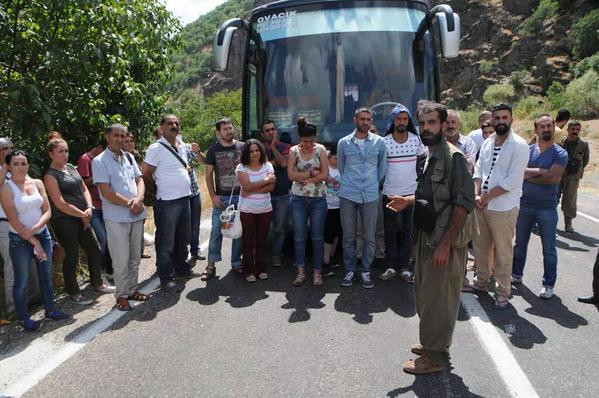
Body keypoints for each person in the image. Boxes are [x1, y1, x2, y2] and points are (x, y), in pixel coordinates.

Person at [387, 102, 474, 374]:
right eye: (422, 123)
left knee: (439, 299)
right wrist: (409, 201)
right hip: (426, 236)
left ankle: (434, 356)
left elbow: (462, 203)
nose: (426, 128)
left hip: (443, 241)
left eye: (432, 123)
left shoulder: (454, 157)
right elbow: (433, 197)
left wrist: (446, 245)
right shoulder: (430, 154)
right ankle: (431, 343)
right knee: (425, 295)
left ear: (443, 124)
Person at [463, 103, 529, 308]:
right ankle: (481, 283)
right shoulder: (488, 143)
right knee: (481, 249)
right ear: (492, 120)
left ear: (511, 119)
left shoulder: (519, 145)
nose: (500, 121)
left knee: (502, 252)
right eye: (497, 118)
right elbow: (479, 171)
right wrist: (476, 195)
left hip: (503, 208)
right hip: (481, 205)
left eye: (504, 118)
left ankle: (503, 291)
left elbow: (512, 181)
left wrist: (486, 197)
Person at [0, 150, 69, 331]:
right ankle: (24, 318)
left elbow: (47, 211)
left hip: (42, 234)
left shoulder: (38, 183)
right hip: (20, 239)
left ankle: (51, 309)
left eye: (24, 163)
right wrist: (33, 240)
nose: (21, 167)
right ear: (9, 167)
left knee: (45, 276)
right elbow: (13, 220)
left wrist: (37, 230)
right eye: (16, 164)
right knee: (21, 280)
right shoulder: (6, 189)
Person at [45, 132, 115, 305]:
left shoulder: (70, 167)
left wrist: (89, 208)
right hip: (64, 220)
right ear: (51, 154)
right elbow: (59, 203)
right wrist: (82, 213)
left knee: (95, 249)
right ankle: (74, 292)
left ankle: (97, 283)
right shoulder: (50, 175)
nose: (64, 154)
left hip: (83, 216)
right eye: (60, 151)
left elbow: (84, 188)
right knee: (72, 255)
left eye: (66, 151)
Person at [512, 114, 568, 300]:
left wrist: (529, 173)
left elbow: (553, 178)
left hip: (547, 209)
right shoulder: (527, 150)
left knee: (549, 249)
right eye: (542, 126)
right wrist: (540, 172)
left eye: (549, 126)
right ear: (536, 130)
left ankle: (548, 284)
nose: (546, 129)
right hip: (524, 205)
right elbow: (517, 172)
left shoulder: (561, 153)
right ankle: (516, 275)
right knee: (519, 245)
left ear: (554, 128)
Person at [93, 124, 148, 311]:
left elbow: (140, 180)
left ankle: (133, 290)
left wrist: (139, 199)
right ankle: (122, 295)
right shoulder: (99, 161)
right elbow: (106, 192)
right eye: (116, 135)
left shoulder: (130, 157)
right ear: (108, 137)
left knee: (135, 257)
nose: (120, 139)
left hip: (136, 215)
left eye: (123, 135)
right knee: (120, 259)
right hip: (117, 218)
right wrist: (130, 203)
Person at [143, 114, 195, 293]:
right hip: (166, 201)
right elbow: (146, 173)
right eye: (169, 123)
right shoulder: (155, 148)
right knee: (166, 242)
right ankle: (166, 277)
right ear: (162, 128)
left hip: (184, 198)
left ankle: (181, 267)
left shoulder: (180, 146)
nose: (174, 125)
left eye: (176, 123)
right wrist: (155, 190)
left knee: (183, 237)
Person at [337, 107, 386, 288]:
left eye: (368, 119)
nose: (365, 122)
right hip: (348, 193)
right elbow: (342, 168)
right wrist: (351, 183)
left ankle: (365, 270)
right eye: (362, 119)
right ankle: (350, 270)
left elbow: (382, 169)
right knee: (348, 236)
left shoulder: (379, 143)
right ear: (355, 120)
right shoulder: (343, 143)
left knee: (369, 236)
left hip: (371, 194)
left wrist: (372, 184)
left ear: (371, 121)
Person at [380, 104, 426, 283]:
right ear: (393, 120)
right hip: (390, 193)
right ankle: (391, 266)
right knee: (390, 231)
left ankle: (405, 268)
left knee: (408, 231)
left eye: (405, 119)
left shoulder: (416, 140)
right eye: (398, 119)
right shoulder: (384, 142)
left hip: (410, 195)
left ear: (409, 121)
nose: (402, 122)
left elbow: (422, 164)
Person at [287, 117, 329, 286]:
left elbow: (325, 175)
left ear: (315, 138)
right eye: (304, 141)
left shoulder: (321, 150)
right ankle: (300, 272)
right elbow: (291, 175)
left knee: (318, 237)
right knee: (299, 237)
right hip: (298, 199)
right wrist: (312, 174)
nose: (307, 144)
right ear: (299, 139)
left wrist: (307, 178)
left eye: (311, 141)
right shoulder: (293, 151)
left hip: (318, 198)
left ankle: (317, 272)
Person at [202, 118, 244, 280]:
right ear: (219, 132)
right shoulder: (213, 150)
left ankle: (236, 263)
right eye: (225, 129)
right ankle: (211, 265)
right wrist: (213, 196)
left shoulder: (242, 146)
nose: (229, 131)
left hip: (241, 196)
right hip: (222, 198)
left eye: (230, 127)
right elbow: (208, 175)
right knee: (216, 232)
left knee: (238, 232)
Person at [236, 139, 275, 282]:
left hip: (265, 209)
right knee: (248, 242)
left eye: (257, 150)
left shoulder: (268, 165)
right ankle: (248, 271)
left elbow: (272, 187)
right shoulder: (242, 168)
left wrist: (253, 188)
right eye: (251, 151)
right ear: (247, 153)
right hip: (247, 210)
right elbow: (246, 187)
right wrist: (265, 181)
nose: (255, 153)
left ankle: (261, 269)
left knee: (262, 241)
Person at [78, 140, 112, 278]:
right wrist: (99, 176)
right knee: (103, 239)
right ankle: (101, 269)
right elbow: (83, 183)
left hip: (106, 205)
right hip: (94, 207)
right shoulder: (85, 159)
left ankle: (107, 269)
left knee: (109, 239)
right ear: (98, 147)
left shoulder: (104, 159)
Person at [260, 120, 291, 267]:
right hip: (263, 194)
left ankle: (277, 255)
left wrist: (273, 147)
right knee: (263, 228)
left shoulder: (286, 147)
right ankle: (262, 255)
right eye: (267, 130)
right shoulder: (257, 149)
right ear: (262, 134)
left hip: (282, 194)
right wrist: (271, 163)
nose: (271, 132)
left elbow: (284, 163)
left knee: (279, 228)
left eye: (273, 129)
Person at [558, 121, 590, 233]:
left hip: (573, 176)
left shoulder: (583, 145)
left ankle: (568, 224)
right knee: (553, 196)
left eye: (577, 130)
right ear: (568, 130)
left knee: (570, 200)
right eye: (573, 129)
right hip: (559, 174)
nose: (575, 132)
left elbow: (585, 161)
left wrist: (576, 169)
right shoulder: (561, 142)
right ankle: (549, 221)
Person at [124, 132, 151, 259]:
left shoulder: (137, 155)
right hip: (129, 196)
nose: (129, 143)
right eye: (127, 141)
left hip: (141, 193)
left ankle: (139, 251)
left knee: (140, 223)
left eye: (131, 141)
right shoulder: (122, 157)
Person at [323, 146, 342, 275]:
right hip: (326, 206)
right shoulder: (325, 169)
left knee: (337, 232)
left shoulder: (343, 169)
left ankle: (331, 257)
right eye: (336, 158)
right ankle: (325, 260)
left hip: (341, 206)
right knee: (328, 232)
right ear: (329, 157)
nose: (338, 160)